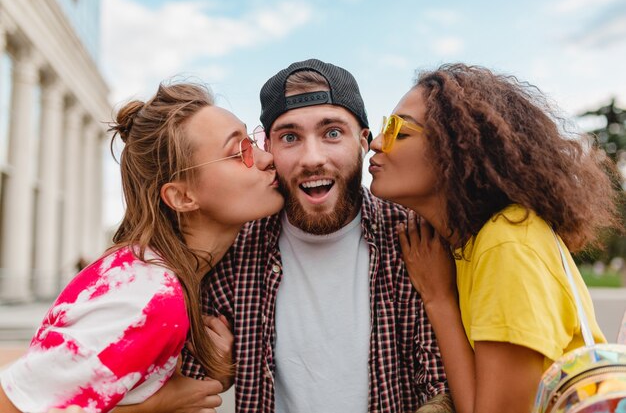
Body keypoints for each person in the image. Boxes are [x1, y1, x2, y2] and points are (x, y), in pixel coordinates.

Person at [173, 59, 451, 413]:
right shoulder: (235, 248)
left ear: (364, 141)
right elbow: (182, 387)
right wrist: (218, 371)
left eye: (332, 132)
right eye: (290, 137)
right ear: (268, 149)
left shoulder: (412, 238)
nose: (312, 158)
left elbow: (441, 387)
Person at [0, 82, 284, 413]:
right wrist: (155, 406)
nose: (267, 158)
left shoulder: (159, 275)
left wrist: (216, 374)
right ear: (182, 197)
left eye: (255, 141)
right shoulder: (148, 296)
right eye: (239, 152)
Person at [368, 63, 620, 413]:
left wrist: (438, 299)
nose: (376, 143)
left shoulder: (507, 244)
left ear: (455, 150)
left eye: (400, 131)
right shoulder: (472, 243)